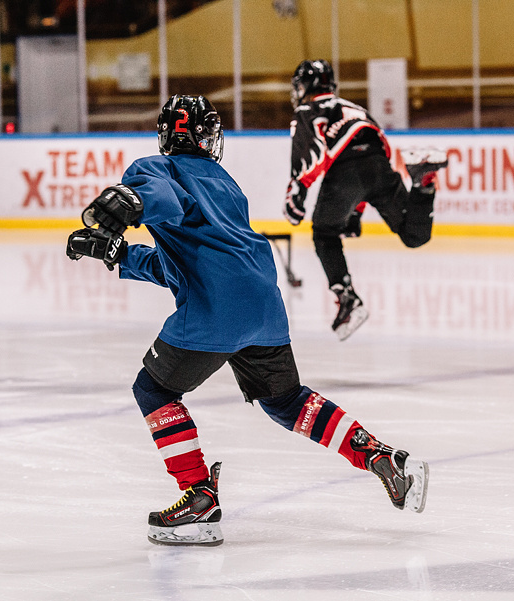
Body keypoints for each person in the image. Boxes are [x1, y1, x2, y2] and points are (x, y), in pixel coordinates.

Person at [65, 94, 429, 547]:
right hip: (264, 305)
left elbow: (163, 199)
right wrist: (121, 255)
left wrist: (132, 201)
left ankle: (198, 497)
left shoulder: (155, 169)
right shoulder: (225, 183)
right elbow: (187, 261)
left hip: (217, 309)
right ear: (206, 136)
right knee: (287, 401)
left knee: (153, 389)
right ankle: (380, 457)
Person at [283, 59, 449, 341]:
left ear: (307, 86)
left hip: (345, 169)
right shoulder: (355, 108)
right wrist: (356, 210)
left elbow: (311, 153)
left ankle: (347, 299)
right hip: (379, 165)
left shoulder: (308, 111)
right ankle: (422, 185)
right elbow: (381, 145)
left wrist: (296, 192)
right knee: (413, 235)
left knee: (324, 232)